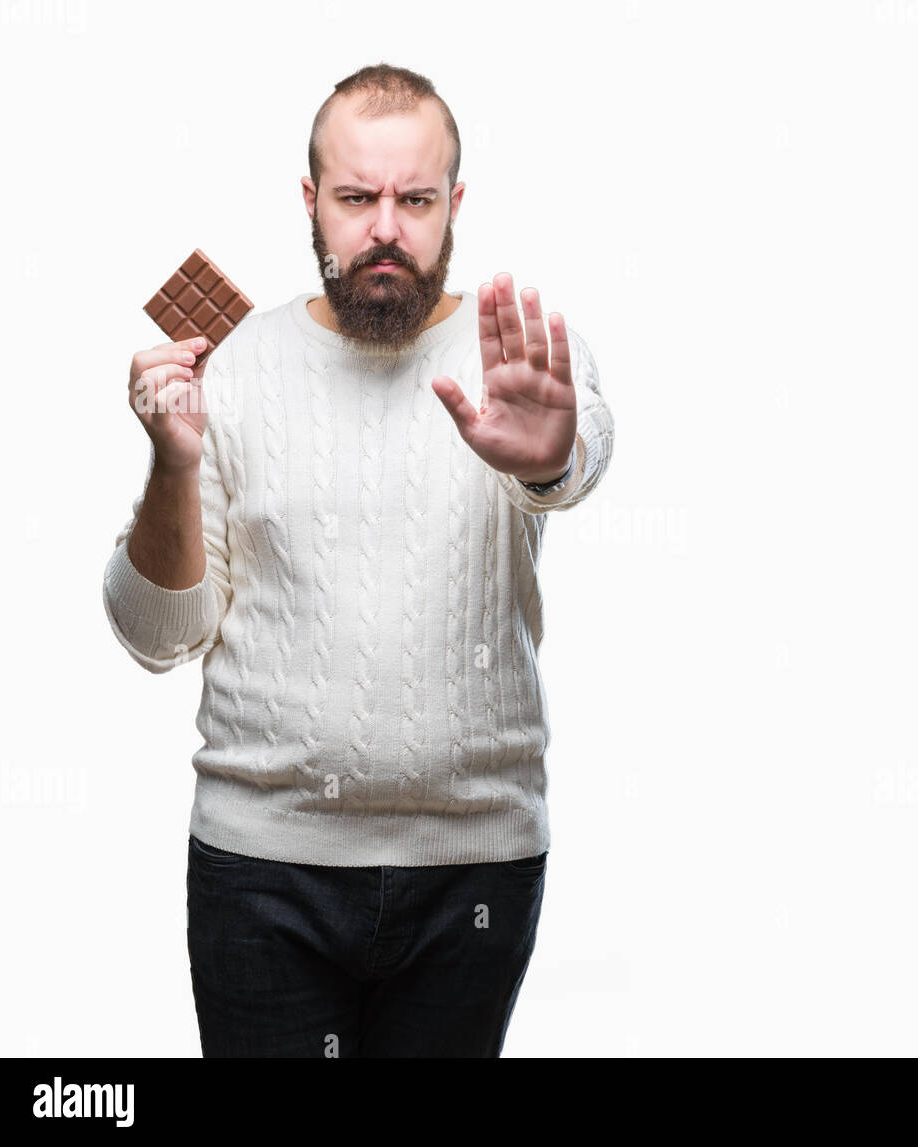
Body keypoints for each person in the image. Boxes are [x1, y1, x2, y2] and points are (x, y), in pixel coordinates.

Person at [102, 63, 615, 1057]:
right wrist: (172, 462)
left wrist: (551, 453)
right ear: (310, 202)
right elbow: (156, 636)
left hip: (475, 867)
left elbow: (580, 448)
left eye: (415, 199)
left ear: (454, 204)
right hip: (262, 867)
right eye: (356, 198)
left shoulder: (513, 356)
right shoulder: (234, 363)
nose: (386, 227)